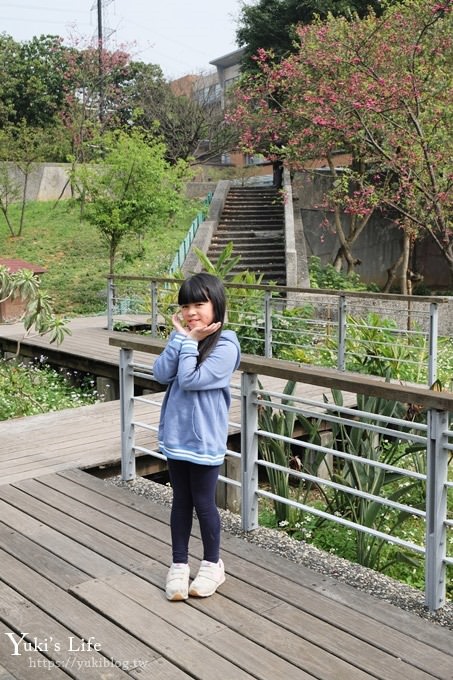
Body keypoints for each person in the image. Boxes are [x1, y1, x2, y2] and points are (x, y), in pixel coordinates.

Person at [152, 273, 241, 601]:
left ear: (216, 304)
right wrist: (180, 340)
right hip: (177, 436)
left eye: (199, 304)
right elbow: (161, 374)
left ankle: (212, 564)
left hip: (204, 439)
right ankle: (178, 564)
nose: (191, 312)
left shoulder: (227, 345)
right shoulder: (186, 338)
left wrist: (189, 342)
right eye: (185, 305)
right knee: (180, 501)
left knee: (204, 503)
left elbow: (189, 380)